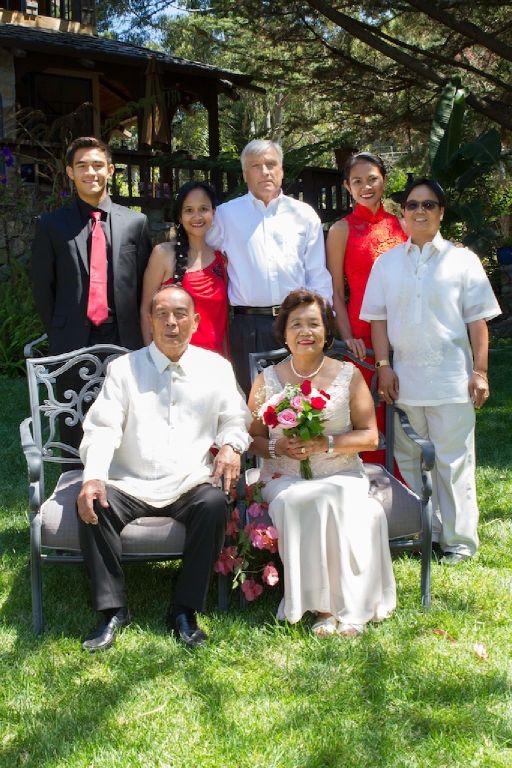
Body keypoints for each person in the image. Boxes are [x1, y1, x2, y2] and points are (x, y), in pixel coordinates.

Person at [77, 284, 251, 651]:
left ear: (196, 321)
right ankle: (113, 611)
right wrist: (93, 476)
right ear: (150, 322)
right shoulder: (125, 369)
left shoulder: (216, 368)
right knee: (93, 503)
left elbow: (236, 419)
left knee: (214, 504)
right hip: (130, 480)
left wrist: (233, 446)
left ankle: (184, 610)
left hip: (189, 480)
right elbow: (103, 426)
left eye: (180, 315)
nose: (171, 323)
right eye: (162, 315)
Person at [360, 178, 501, 565]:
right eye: (412, 205)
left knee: (453, 464)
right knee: (411, 463)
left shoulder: (463, 261)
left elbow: (477, 323)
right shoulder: (386, 263)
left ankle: (459, 542)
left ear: (441, 212)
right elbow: (378, 320)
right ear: (402, 213)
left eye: (428, 204)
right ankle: (431, 530)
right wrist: (383, 367)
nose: (419, 211)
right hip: (404, 383)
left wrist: (481, 371)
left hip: (452, 381)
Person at [247, 289, 396, 636]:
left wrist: (325, 442)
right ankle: (323, 609)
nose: (305, 332)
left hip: (341, 471)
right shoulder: (267, 380)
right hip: (283, 475)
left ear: (327, 332)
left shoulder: (348, 375)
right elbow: (250, 437)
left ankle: (354, 607)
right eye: (296, 324)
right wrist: (277, 447)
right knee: (299, 500)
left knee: (341, 501)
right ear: (283, 333)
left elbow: (370, 437)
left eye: (314, 324)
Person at [31, 136, 152, 454]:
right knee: (74, 422)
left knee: (129, 417)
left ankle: (125, 484)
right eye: (82, 166)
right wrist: (60, 328)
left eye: (97, 165)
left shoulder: (135, 223)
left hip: (123, 336)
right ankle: (73, 482)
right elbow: (43, 287)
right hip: (72, 338)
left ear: (110, 170)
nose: (90, 172)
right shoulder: (51, 225)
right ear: (70, 172)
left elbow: (144, 284)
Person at [207, 139, 333, 395]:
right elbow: (203, 253)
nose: (264, 171)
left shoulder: (304, 215)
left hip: (297, 321)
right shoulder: (225, 215)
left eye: (270, 164)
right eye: (255, 166)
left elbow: (317, 274)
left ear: (281, 170)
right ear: (245, 174)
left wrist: (322, 322)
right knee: (256, 402)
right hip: (248, 324)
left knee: (303, 400)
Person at [326, 152, 407, 467]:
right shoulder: (341, 230)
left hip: (403, 328)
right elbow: (335, 290)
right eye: (357, 181)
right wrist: (348, 337)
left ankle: (408, 489)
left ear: (384, 180)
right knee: (368, 412)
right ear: (347, 186)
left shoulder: (402, 224)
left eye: (372, 178)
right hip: (361, 334)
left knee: (405, 409)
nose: (366, 186)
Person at [140, 181, 228, 356]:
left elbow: (223, 323)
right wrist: (151, 360)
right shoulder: (163, 254)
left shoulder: (222, 260)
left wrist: (228, 364)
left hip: (214, 362)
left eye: (203, 209)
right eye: (189, 210)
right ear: (180, 216)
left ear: (213, 212)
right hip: (172, 361)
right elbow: (145, 311)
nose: (197, 216)